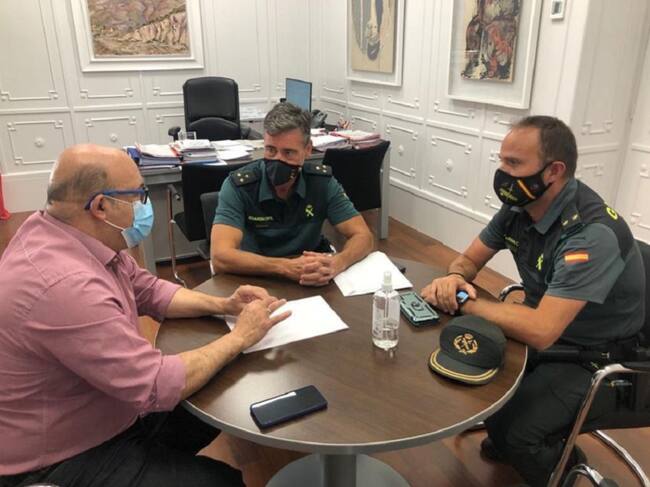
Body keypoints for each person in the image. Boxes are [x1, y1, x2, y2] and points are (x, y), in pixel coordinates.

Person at [0, 144, 290, 487]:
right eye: (139, 195)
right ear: (101, 206)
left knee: (217, 395)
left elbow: (148, 290)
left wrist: (224, 304)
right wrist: (240, 336)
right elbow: (153, 384)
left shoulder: (72, 236)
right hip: (61, 456)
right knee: (221, 482)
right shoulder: (64, 284)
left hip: (106, 407)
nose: (144, 204)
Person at [421, 116, 646, 487]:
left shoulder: (589, 235)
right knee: (478, 379)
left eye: (514, 163)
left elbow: (541, 330)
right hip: (553, 331)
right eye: (502, 160)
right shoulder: (519, 207)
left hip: (599, 356)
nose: (502, 173)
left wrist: (463, 301)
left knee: (517, 434)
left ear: (554, 171)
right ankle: (521, 439)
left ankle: (563, 467)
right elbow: (469, 259)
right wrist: (455, 277)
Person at [211, 102, 374, 286]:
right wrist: (284, 267)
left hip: (311, 276)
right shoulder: (239, 186)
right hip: (256, 276)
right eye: (271, 150)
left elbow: (363, 236)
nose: (278, 160)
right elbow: (220, 257)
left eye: (288, 152)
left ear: (308, 150)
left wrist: (338, 262)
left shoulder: (321, 183)